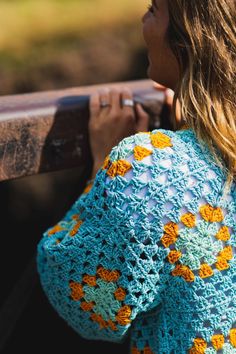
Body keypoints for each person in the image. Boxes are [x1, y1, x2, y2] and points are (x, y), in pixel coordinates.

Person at [37, 0, 236, 353]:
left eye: (154, 8)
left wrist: (103, 168)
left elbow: (88, 303)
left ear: (190, 36)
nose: (144, 20)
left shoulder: (153, 171)